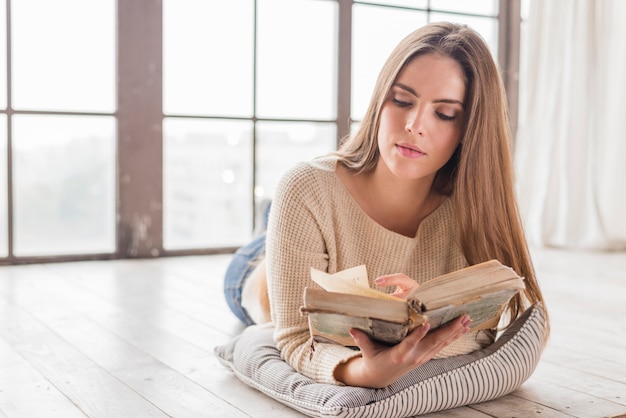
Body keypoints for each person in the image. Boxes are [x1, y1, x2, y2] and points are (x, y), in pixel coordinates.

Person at [223, 21, 549, 388]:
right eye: (403, 100)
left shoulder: (473, 209)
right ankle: (269, 223)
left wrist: (423, 326)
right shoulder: (305, 189)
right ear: (380, 101)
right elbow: (296, 339)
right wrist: (363, 371)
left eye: (444, 114)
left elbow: (489, 331)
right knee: (251, 287)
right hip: (256, 277)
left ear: (468, 129)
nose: (414, 125)